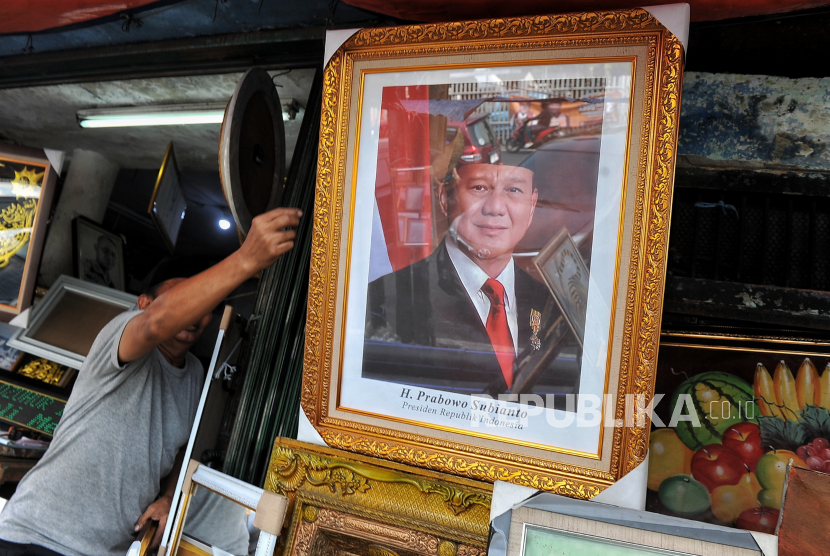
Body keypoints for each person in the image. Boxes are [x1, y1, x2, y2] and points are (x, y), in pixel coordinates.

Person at [0, 207, 302, 556]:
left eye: (204, 304)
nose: (196, 314)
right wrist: (246, 259)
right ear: (144, 303)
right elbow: (157, 322)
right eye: (184, 297)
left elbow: (181, 455)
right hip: (33, 536)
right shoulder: (123, 331)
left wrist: (169, 497)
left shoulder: (194, 375)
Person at [362, 161, 579, 400]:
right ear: (445, 198)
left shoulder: (553, 303)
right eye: (479, 187)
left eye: (514, 190)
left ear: (532, 206)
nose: (496, 208)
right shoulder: (384, 306)